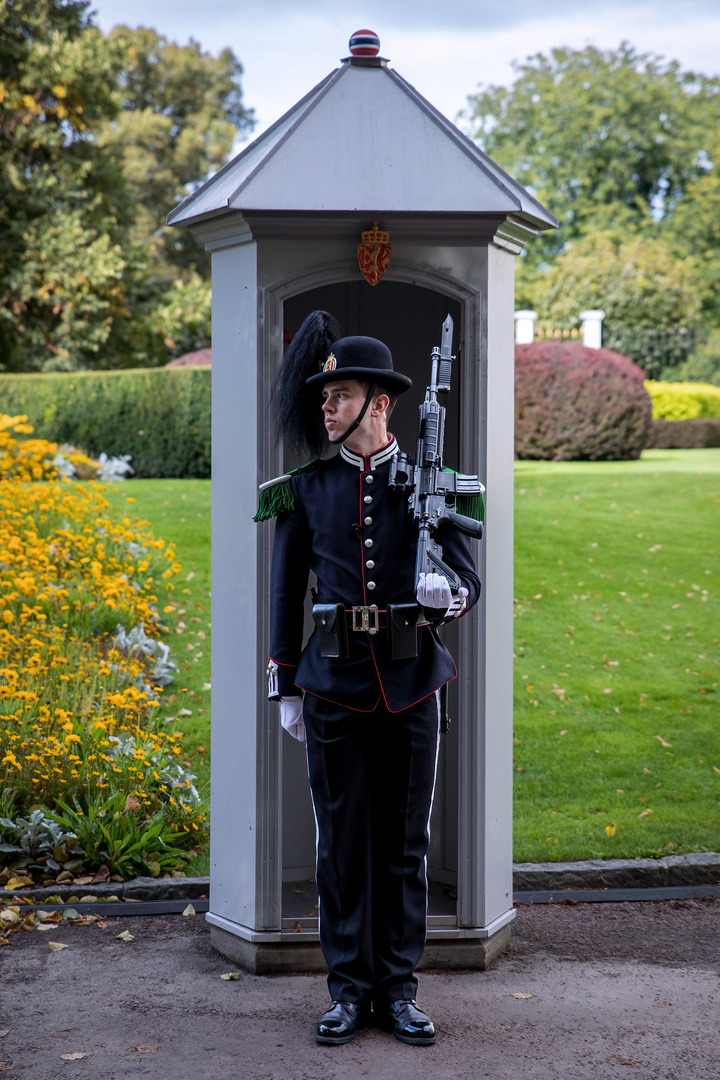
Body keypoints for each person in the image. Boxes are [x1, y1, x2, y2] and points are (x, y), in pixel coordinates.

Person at [254, 311, 482, 1046]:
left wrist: (452, 592)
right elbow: (286, 594)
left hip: (413, 682)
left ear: (379, 405)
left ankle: (400, 988)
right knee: (342, 845)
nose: (325, 407)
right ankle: (349, 989)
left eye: (340, 395)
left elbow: (469, 580)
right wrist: (285, 682)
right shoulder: (304, 489)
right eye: (324, 397)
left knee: (404, 845)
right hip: (332, 687)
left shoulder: (430, 483)